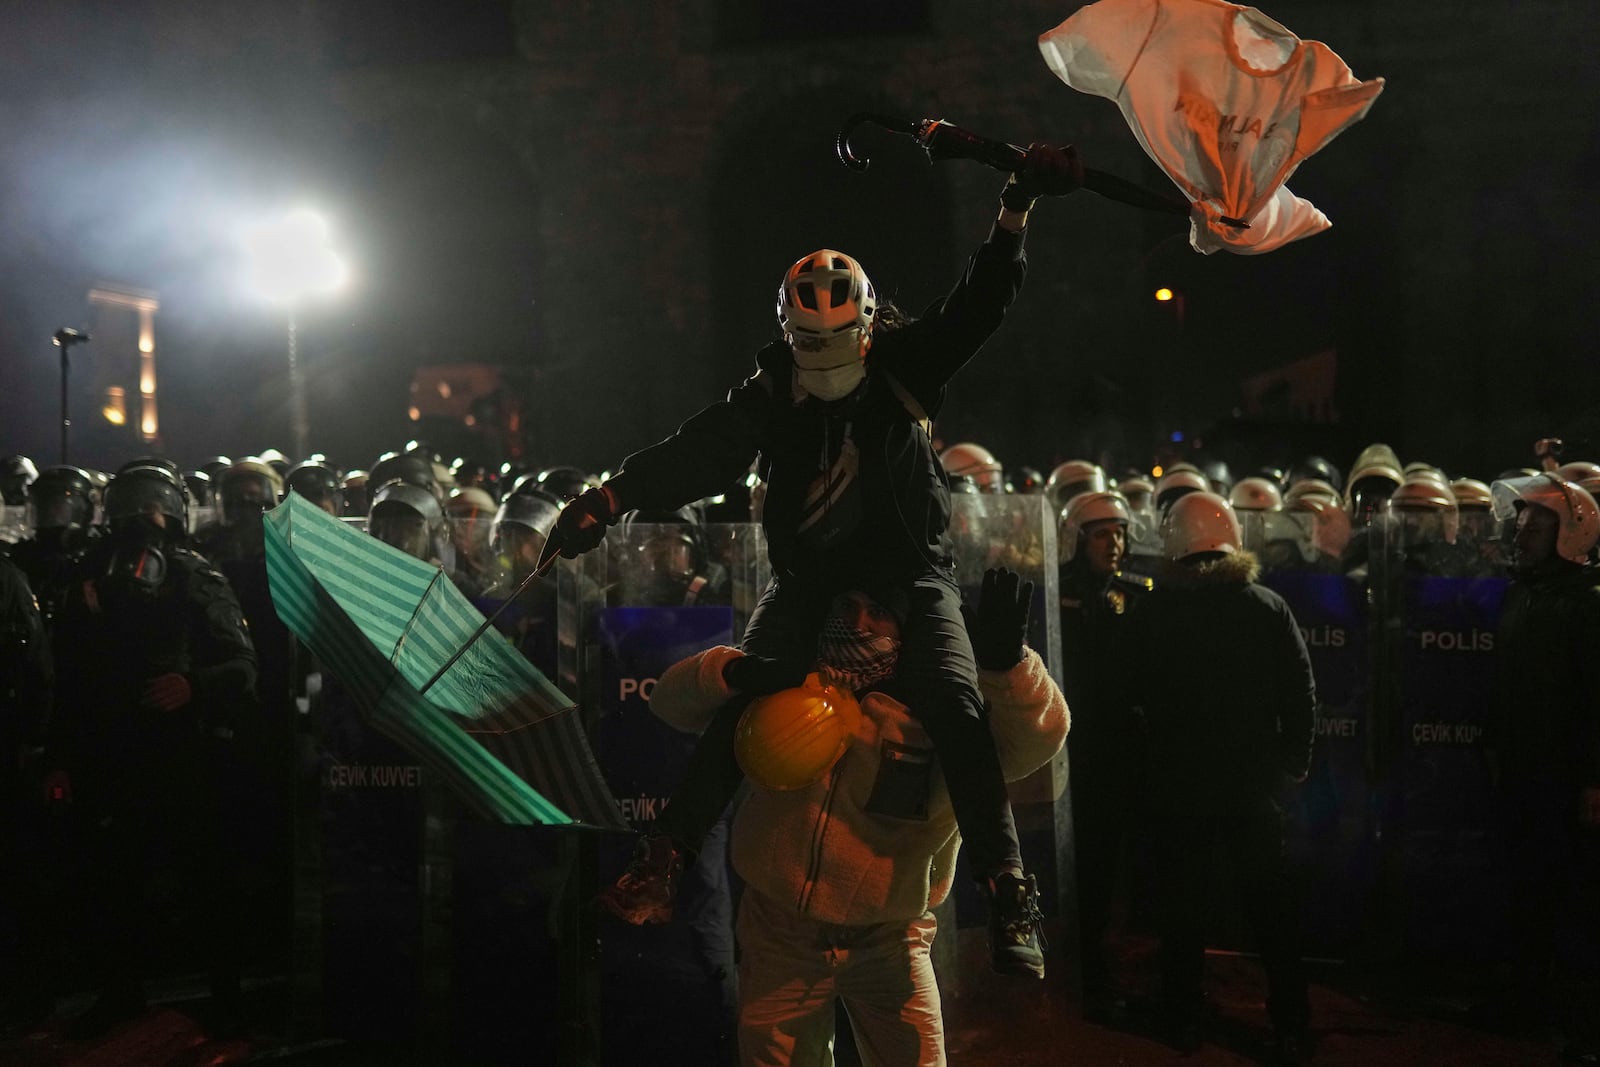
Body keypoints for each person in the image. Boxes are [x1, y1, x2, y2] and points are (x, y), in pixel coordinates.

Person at [553, 144, 1084, 976]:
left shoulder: (906, 371)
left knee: (953, 697)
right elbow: (700, 452)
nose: (825, 360)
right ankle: (664, 857)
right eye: (809, 342)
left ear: (867, 327)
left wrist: (1015, 207)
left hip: (912, 576)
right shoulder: (771, 392)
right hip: (811, 579)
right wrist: (608, 498)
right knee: (756, 682)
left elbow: (978, 307)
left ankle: (1008, 884)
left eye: (839, 340)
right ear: (787, 332)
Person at [646, 569, 1068, 1065]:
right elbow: (669, 703)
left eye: (879, 612)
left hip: (892, 939)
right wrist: (736, 671)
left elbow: (1036, 740)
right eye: (848, 607)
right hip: (781, 933)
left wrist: (1006, 667)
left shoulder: (941, 707)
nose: (860, 623)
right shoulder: (790, 679)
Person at [46, 462, 257, 1038]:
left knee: (206, 880)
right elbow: (66, 674)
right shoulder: (87, 579)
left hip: (184, 757)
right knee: (115, 882)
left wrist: (195, 687)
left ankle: (227, 997)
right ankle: (121, 995)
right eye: (131, 507)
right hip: (114, 755)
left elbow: (242, 666)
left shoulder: (195, 577)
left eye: (152, 505)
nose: (144, 518)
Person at [1120, 492, 1316, 1062]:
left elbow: (1122, 698)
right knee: (1272, 914)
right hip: (1252, 790)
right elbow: (1299, 691)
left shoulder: (1153, 613)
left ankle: (1182, 1020)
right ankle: (1290, 1023)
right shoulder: (1267, 606)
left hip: (1178, 791)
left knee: (1183, 915)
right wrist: (1293, 761)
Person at [1481, 473, 1600, 1059]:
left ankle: (1571, 1018)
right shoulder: (1522, 592)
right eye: (1522, 520)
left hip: (1563, 777)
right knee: (1525, 890)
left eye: (1537, 522)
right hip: (1525, 770)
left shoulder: (1587, 603)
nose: (1522, 530)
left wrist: (1594, 779)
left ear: (1571, 532)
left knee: (1567, 897)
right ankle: (1525, 1002)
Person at [1056, 490, 1150, 1021]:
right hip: (1069, 747)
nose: (1113, 543)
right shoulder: (1057, 592)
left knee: (1108, 863)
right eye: (1101, 534)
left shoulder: (1138, 593)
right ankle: (1082, 964)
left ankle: (1099, 959)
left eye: (1118, 533)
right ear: (1078, 540)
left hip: (1117, 750)